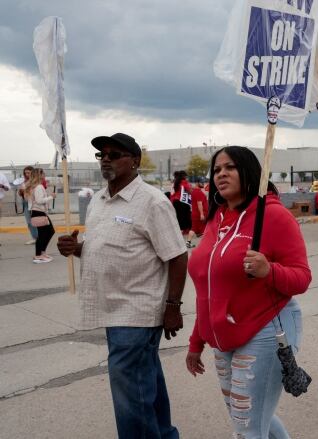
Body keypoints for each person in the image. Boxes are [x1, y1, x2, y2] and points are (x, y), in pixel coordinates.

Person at [57, 132, 187, 439]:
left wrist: (173, 307)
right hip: (112, 310)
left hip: (137, 313)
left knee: (131, 398)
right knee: (145, 386)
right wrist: (74, 248)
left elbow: (178, 256)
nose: (106, 161)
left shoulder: (152, 202)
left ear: (135, 161)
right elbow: (103, 247)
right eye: (102, 155)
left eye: (114, 155)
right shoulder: (99, 201)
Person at [185, 146, 311, 439]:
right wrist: (196, 341)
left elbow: (302, 278)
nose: (221, 174)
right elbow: (208, 288)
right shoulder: (217, 219)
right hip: (223, 335)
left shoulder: (274, 216)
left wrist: (270, 271)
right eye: (216, 170)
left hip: (266, 329)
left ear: (249, 171)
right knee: (248, 416)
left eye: (230, 167)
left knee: (247, 425)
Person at [25, 168, 56, 263]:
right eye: (43, 173)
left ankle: (41, 253)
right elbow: (39, 201)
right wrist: (51, 197)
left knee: (44, 233)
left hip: (36, 212)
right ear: (39, 175)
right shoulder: (38, 187)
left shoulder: (33, 186)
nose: (44, 175)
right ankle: (39, 255)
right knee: (48, 232)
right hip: (39, 212)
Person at [170, 170, 194, 248]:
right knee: (186, 219)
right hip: (183, 202)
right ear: (184, 176)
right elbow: (190, 191)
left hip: (175, 202)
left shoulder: (175, 182)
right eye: (186, 176)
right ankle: (186, 235)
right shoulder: (184, 182)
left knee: (178, 219)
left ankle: (177, 236)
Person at [18, 166, 39, 244]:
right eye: (25, 173)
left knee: (35, 221)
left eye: (28, 173)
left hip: (33, 202)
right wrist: (21, 192)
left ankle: (37, 238)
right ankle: (35, 238)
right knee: (29, 222)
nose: (27, 174)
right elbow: (22, 194)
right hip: (25, 202)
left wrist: (26, 190)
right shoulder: (24, 182)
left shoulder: (35, 181)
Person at [189, 177, 208, 242]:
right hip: (199, 214)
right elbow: (199, 203)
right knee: (194, 229)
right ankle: (188, 242)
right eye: (201, 182)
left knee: (196, 229)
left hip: (196, 213)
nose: (203, 183)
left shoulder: (195, 191)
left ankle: (189, 242)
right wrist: (202, 214)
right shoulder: (198, 192)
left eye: (203, 182)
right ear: (197, 183)